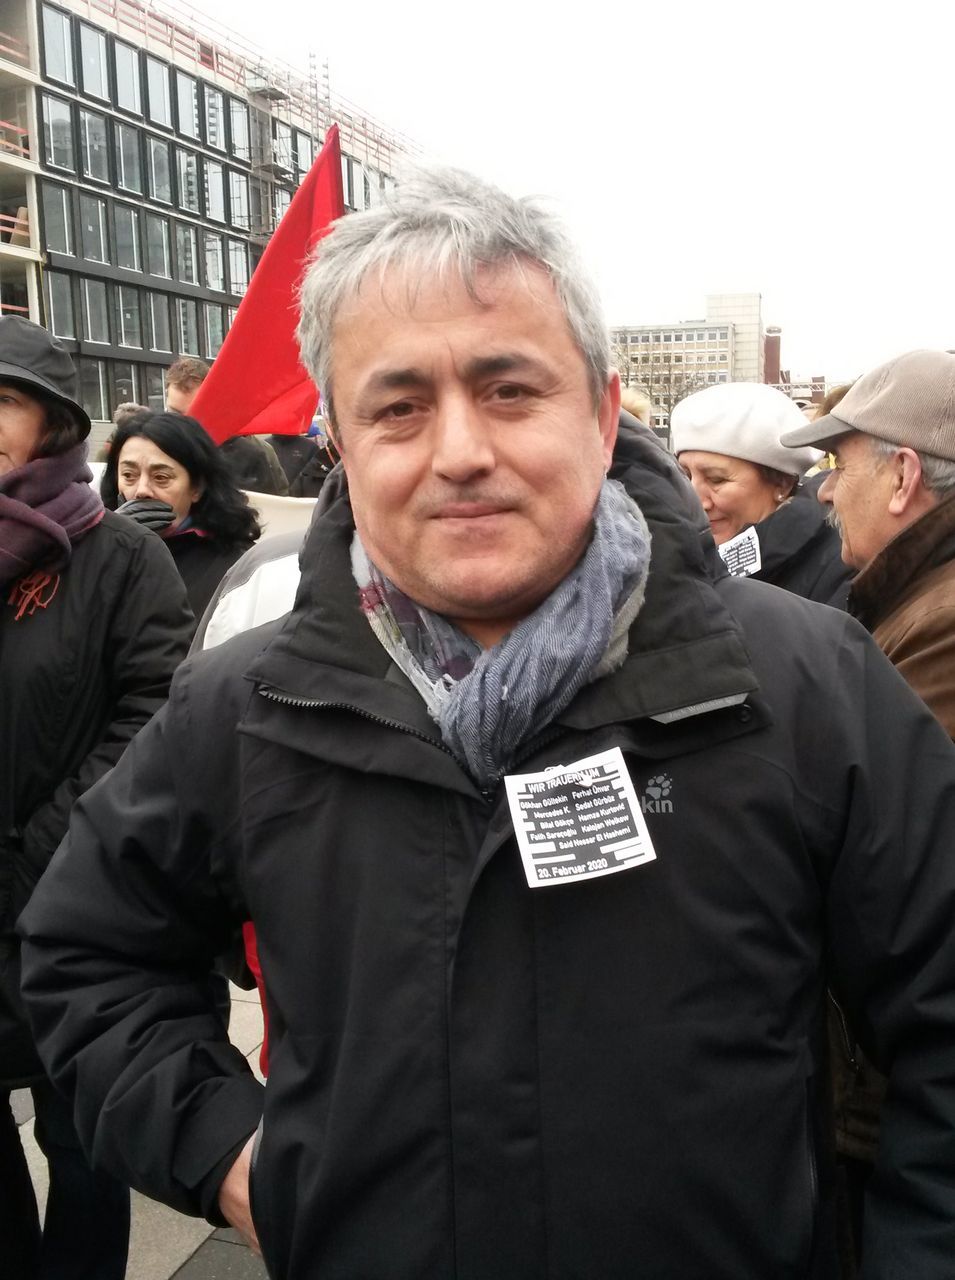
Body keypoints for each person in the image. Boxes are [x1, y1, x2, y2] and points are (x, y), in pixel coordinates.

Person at [19, 171, 955, 1280]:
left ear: (601, 415)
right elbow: (87, 953)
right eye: (398, 406)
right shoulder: (242, 707)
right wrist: (226, 1150)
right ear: (339, 440)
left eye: (509, 389)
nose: (458, 449)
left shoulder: (804, 687)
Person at [0, 316, 192, 1279]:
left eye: (2, 401)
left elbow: (155, 716)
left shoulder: (117, 557)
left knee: (81, 1143)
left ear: (54, 423)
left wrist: (40, 852)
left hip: (72, 909)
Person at [782, 350, 955, 1266]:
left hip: (900, 1098)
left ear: (901, 476)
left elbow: (882, 854)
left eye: (837, 465)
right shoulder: (914, 602)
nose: (821, 492)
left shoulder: (940, 623)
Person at [671, 381, 852, 606]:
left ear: (782, 484)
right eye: (685, 476)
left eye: (716, 479)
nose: (694, 501)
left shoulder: (837, 571)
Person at [100, 410, 261, 625]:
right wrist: (110, 546)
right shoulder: (96, 549)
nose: (141, 490)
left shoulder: (235, 566)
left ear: (197, 488)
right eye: (129, 475)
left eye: (161, 477)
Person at [165, 356, 289, 496]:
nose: (183, 424)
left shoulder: (249, 456)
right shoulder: (154, 448)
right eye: (175, 413)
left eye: (194, 415)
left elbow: (273, 505)